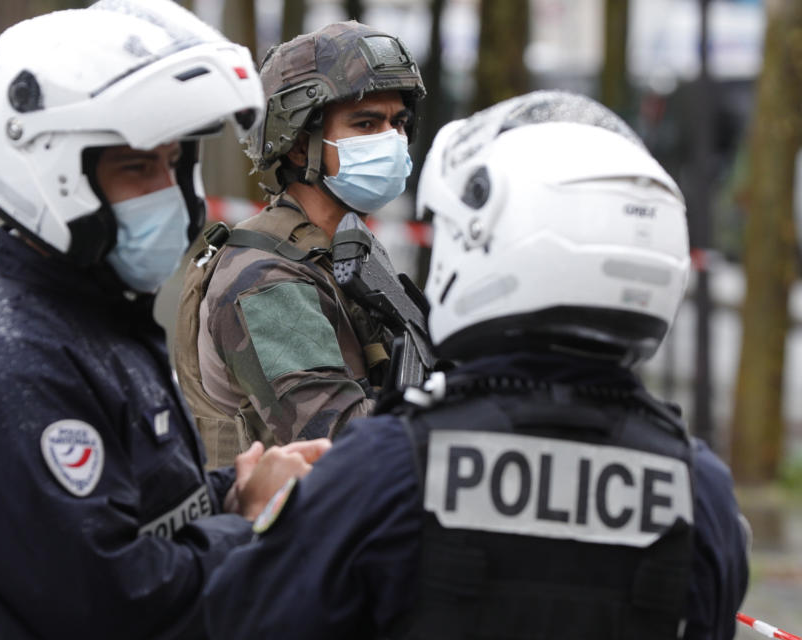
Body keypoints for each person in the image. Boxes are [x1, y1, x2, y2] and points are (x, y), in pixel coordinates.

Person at [203, 91, 750, 640]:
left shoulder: (387, 469)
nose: (390, 138)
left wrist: (242, 513)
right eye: (368, 122)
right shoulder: (703, 495)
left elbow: (243, 617)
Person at [0, 3, 329, 639]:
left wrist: (233, 488)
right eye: (135, 167)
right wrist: (250, 524)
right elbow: (113, 599)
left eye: (172, 163)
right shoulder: (18, 365)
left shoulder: (101, 325)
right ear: (52, 176)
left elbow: (137, 507)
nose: (168, 193)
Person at [175, 21, 427, 467]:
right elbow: (343, 444)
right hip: (282, 528)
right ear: (297, 145)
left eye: (399, 122)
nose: (392, 140)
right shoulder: (264, 275)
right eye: (366, 123)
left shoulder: (344, 247)